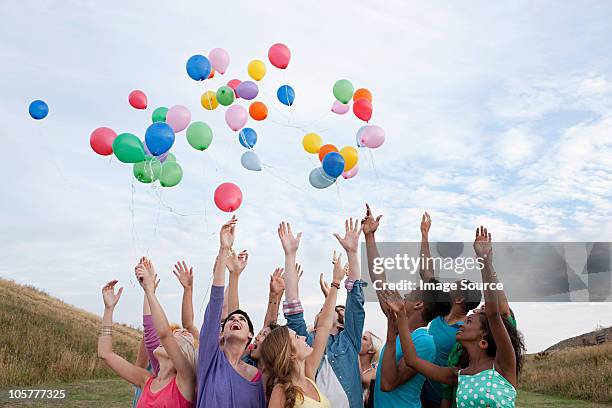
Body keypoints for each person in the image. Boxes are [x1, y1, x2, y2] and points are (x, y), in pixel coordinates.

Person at [387, 226, 525, 408]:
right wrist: (401, 316)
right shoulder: (458, 375)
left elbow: (493, 312)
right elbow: (412, 360)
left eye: (469, 321)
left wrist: (484, 262)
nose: (463, 324)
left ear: (484, 336)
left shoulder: (502, 365)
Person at [362, 204, 451, 407]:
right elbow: (379, 278)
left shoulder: (424, 342)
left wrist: (391, 336)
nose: (406, 294)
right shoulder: (396, 320)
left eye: (411, 293)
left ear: (419, 304)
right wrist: (369, 238)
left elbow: (388, 384)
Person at [280, 219, 366, 408]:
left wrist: (352, 252)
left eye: (328, 310)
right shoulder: (305, 343)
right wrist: (290, 255)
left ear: (341, 323)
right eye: (321, 310)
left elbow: (356, 301)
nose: (324, 311)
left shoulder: (349, 341)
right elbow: (293, 307)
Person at [259, 250, 346, 408]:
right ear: (290, 353)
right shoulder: (280, 392)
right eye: (297, 338)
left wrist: (336, 282)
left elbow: (324, 326)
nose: (304, 337)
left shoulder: (309, 374)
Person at [195, 216, 266, 408]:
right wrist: (224, 249)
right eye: (231, 319)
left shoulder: (256, 376)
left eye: (242, 319)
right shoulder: (210, 359)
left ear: (250, 334)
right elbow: (216, 302)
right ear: (221, 333)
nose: (236, 320)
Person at [418, 213, 482, 408]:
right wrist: (424, 235)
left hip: (442, 401)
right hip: (420, 396)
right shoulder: (440, 315)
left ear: (460, 299)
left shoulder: (466, 332)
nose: (447, 287)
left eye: (453, 286)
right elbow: (427, 275)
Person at [359, 330, 382, 406]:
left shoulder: (374, 372)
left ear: (371, 350)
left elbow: (361, 379)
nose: (358, 338)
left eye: (364, 338)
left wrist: (354, 348)